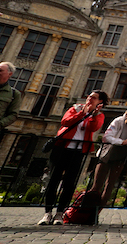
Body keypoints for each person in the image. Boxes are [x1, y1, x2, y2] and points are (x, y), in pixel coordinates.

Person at [37, 90, 108, 225]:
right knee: (53, 180)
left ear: (100, 102)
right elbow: (65, 122)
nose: (90, 99)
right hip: (61, 147)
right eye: (89, 96)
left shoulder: (99, 115)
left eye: (94, 98)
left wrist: (93, 114)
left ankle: (60, 213)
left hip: (78, 151)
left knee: (69, 183)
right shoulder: (75, 108)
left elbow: (94, 127)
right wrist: (82, 113)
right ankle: (47, 213)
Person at [90, 102, 127, 207]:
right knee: (97, 184)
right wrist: (122, 142)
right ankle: (87, 209)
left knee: (110, 186)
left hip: (122, 156)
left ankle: (97, 212)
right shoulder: (118, 120)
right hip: (107, 154)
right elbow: (107, 137)